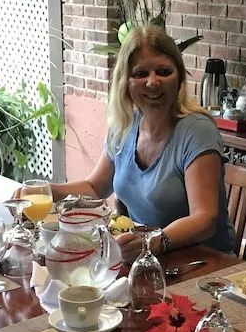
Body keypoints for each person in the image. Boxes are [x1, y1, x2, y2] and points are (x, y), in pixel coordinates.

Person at [48, 25, 234, 261]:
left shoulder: (197, 130)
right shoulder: (124, 126)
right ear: (125, 81)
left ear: (179, 77)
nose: (153, 82)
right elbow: (95, 188)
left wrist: (154, 242)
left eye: (164, 71)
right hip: (146, 260)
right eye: (140, 74)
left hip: (204, 264)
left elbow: (204, 219)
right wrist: (46, 191)